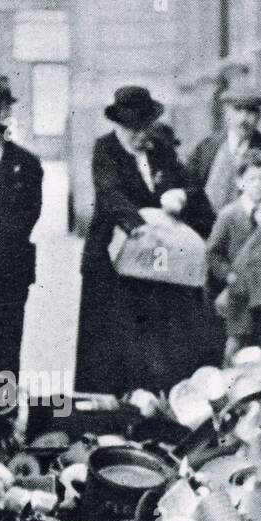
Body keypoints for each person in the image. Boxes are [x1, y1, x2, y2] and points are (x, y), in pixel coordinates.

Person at [75, 85, 214, 395]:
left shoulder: (160, 147)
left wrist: (180, 195)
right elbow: (110, 194)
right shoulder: (105, 149)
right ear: (119, 125)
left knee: (154, 337)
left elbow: (190, 185)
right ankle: (111, 409)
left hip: (156, 262)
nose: (140, 135)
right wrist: (137, 224)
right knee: (111, 342)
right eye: (132, 128)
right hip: (113, 260)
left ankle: (155, 401)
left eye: (144, 127)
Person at [0, 80, 43, 438]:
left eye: (6, 111)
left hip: (10, 268)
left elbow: (30, 215)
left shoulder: (27, 164)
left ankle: (1, 415)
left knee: (6, 344)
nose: (1, 120)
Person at [206, 150, 261, 357]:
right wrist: (229, 275)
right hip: (240, 293)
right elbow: (213, 252)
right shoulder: (229, 215)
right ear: (239, 182)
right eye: (251, 178)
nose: (257, 184)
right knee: (236, 346)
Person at [186, 87, 261, 214]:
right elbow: (190, 188)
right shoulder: (206, 148)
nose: (243, 119)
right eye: (237, 110)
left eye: (250, 111)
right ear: (227, 113)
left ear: (259, 115)